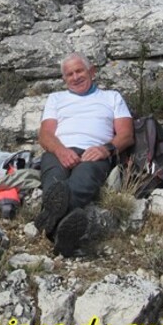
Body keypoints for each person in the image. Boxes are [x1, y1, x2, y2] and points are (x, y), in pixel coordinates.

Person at [36, 52, 134, 257]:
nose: (75, 77)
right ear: (64, 79)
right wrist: (61, 151)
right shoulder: (56, 98)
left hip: (94, 153)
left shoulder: (112, 97)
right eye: (69, 74)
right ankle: (62, 236)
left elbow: (126, 135)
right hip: (60, 150)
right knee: (55, 182)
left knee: (82, 181)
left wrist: (105, 149)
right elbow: (45, 135)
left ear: (92, 71)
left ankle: (50, 224)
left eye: (79, 71)